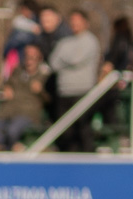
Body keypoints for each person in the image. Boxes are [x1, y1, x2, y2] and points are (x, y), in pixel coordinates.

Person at [49, 8, 101, 152]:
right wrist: (67, 60)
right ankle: (68, 161)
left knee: (83, 129)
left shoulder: (90, 41)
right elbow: (53, 63)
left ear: (86, 23)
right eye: (72, 21)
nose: (75, 24)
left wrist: (64, 59)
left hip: (83, 91)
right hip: (64, 91)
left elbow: (75, 59)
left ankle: (87, 160)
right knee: (66, 132)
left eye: (78, 21)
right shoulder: (64, 42)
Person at [0, 42, 46, 149]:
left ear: (39, 57)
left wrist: (41, 91)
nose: (29, 60)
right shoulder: (18, 71)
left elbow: (49, 98)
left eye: (33, 57)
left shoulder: (44, 74)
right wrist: (6, 88)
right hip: (8, 110)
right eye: (27, 56)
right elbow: (7, 84)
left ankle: (6, 147)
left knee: (12, 131)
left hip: (27, 112)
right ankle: (12, 146)